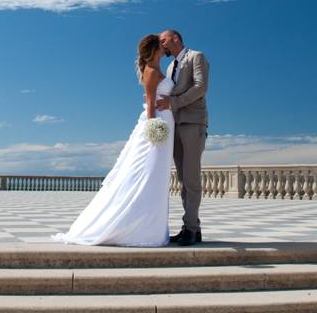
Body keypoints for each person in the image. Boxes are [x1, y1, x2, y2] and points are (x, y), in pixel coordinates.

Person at [52, 34, 175, 246]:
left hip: (164, 125)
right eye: (160, 45)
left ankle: (150, 227)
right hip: (157, 128)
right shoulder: (152, 72)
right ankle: (141, 229)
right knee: (148, 175)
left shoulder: (157, 69)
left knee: (156, 176)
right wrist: (153, 128)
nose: (164, 47)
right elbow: (150, 102)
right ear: (155, 50)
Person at [156, 29, 209, 246]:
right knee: (183, 180)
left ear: (175, 38)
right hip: (176, 125)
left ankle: (192, 228)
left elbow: (200, 87)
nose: (162, 45)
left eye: (164, 40)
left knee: (191, 179)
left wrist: (173, 103)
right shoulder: (170, 67)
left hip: (194, 123)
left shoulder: (196, 56)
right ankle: (190, 227)